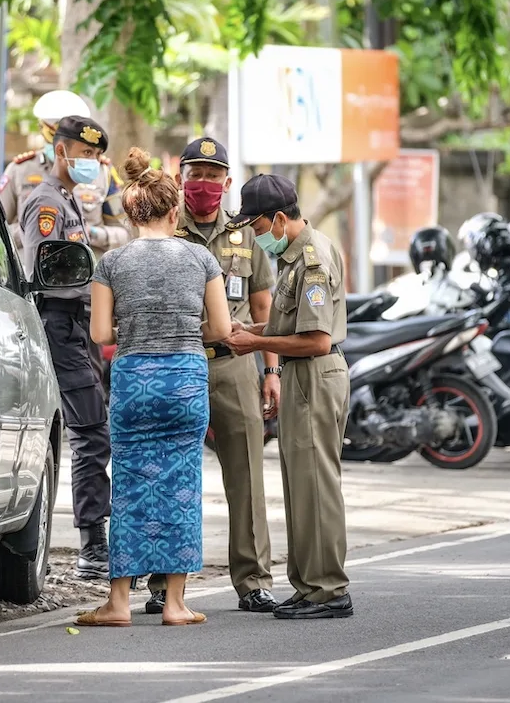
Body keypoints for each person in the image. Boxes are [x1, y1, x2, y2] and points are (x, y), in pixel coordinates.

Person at [75, 147, 231, 627]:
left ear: (130, 211)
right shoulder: (201, 257)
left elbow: (101, 334)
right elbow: (222, 329)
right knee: (182, 483)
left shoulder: (112, 263)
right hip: (185, 379)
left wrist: (137, 331)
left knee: (129, 485)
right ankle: (177, 605)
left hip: (135, 380)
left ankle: (119, 603)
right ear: (175, 210)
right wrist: (184, 331)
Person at [144, 137, 279, 615]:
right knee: (170, 473)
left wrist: (271, 371)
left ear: (226, 181)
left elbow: (262, 307)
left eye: (212, 174)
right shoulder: (164, 230)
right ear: (181, 177)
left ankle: (253, 581)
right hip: (177, 362)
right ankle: (162, 582)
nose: (203, 183)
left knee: (245, 474)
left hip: (234, 364)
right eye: (195, 173)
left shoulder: (245, 237)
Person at [224, 174, 353, 620]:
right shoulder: (294, 257)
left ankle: (329, 589)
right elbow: (289, 325)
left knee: (316, 485)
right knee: (301, 484)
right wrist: (253, 331)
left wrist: (256, 346)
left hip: (315, 374)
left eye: (257, 228)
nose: (255, 237)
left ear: (279, 219)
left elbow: (316, 340)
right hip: (303, 376)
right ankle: (308, 585)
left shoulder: (312, 260)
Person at [19, 115, 111, 581]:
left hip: (80, 326)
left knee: (91, 430)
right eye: (87, 155)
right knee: (91, 431)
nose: (93, 163)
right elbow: (47, 270)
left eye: (96, 157)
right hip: (58, 324)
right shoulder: (46, 203)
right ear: (62, 152)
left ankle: (94, 541)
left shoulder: (70, 201)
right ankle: (93, 548)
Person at [0, 89, 131, 385]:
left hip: (86, 298)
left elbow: (126, 231)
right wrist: (32, 232)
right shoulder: (21, 170)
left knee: (87, 383)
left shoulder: (101, 173)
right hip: (34, 298)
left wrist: (92, 235)